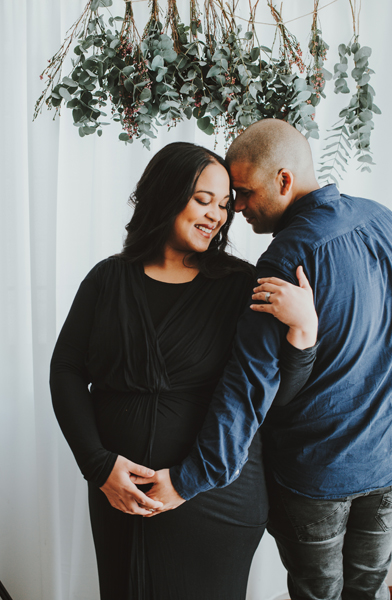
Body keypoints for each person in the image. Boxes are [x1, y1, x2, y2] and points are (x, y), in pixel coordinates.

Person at [141, 121, 392, 600]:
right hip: (388, 465)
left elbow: (247, 387)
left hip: (316, 473)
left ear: (284, 181)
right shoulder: (384, 221)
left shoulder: (285, 259)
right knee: (368, 589)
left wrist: (188, 479)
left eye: (243, 193)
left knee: (315, 593)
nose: (236, 209)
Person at [50, 141, 318, 600]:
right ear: (165, 194)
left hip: (213, 499)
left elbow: (271, 396)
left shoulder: (241, 285)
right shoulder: (106, 279)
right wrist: (98, 465)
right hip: (119, 492)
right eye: (202, 200)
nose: (217, 215)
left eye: (223, 205)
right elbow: (67, 371)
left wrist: (304, 333)